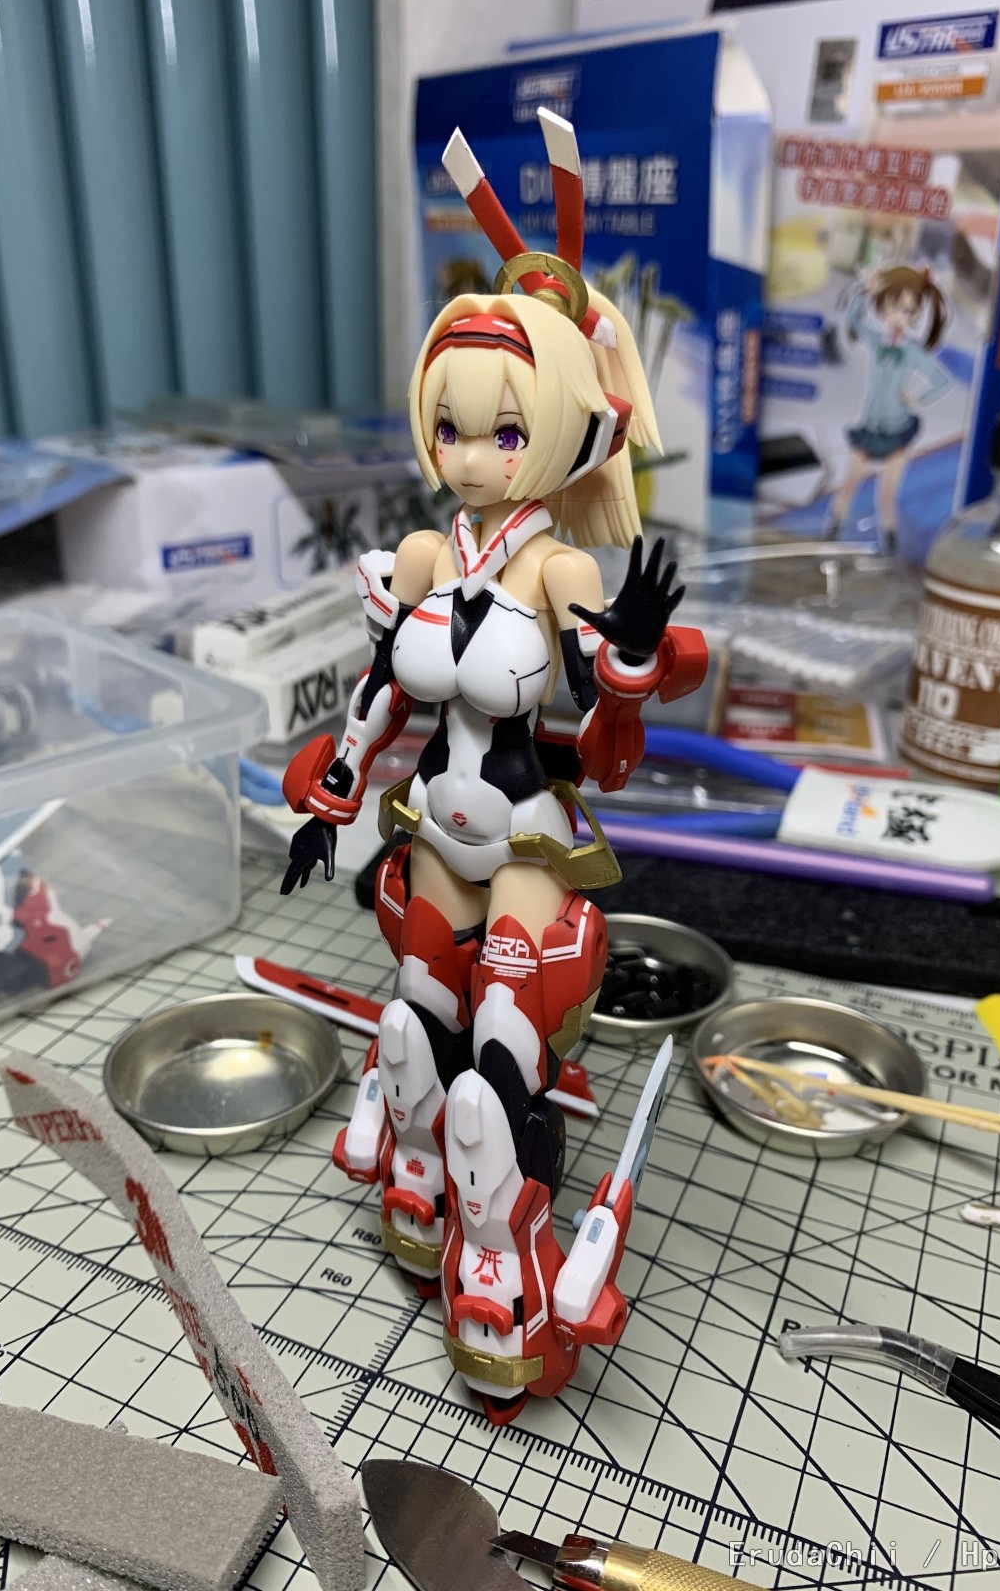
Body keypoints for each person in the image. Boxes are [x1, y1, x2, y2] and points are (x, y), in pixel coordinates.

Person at [280, 110, 707, 1422]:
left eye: (505, 432)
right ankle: (416, 1182)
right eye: (453, 428)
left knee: (500, 1060)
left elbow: (617, 671)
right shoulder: (426, 554)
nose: (471, 457)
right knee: (414, 1024)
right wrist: (337, 790)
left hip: (520, 835)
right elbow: (377, 690)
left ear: (574, 422)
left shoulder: (554, 563)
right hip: (432, 830)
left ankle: (500, 1252)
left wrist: (632, 659)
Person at [828, 264, 951, 550]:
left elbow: (940, 380)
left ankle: (891, 546)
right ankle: (830, 534)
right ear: (882, 309)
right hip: (870, 426)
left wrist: (917, 398)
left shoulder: (911, 351)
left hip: (897, 429)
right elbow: (852, 319)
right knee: (848, 485)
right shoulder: (876, 340)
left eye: (907, 311)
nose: (898, 317)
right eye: (892, 308)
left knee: (886, 495)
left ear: (916, 314)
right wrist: (865, 292)